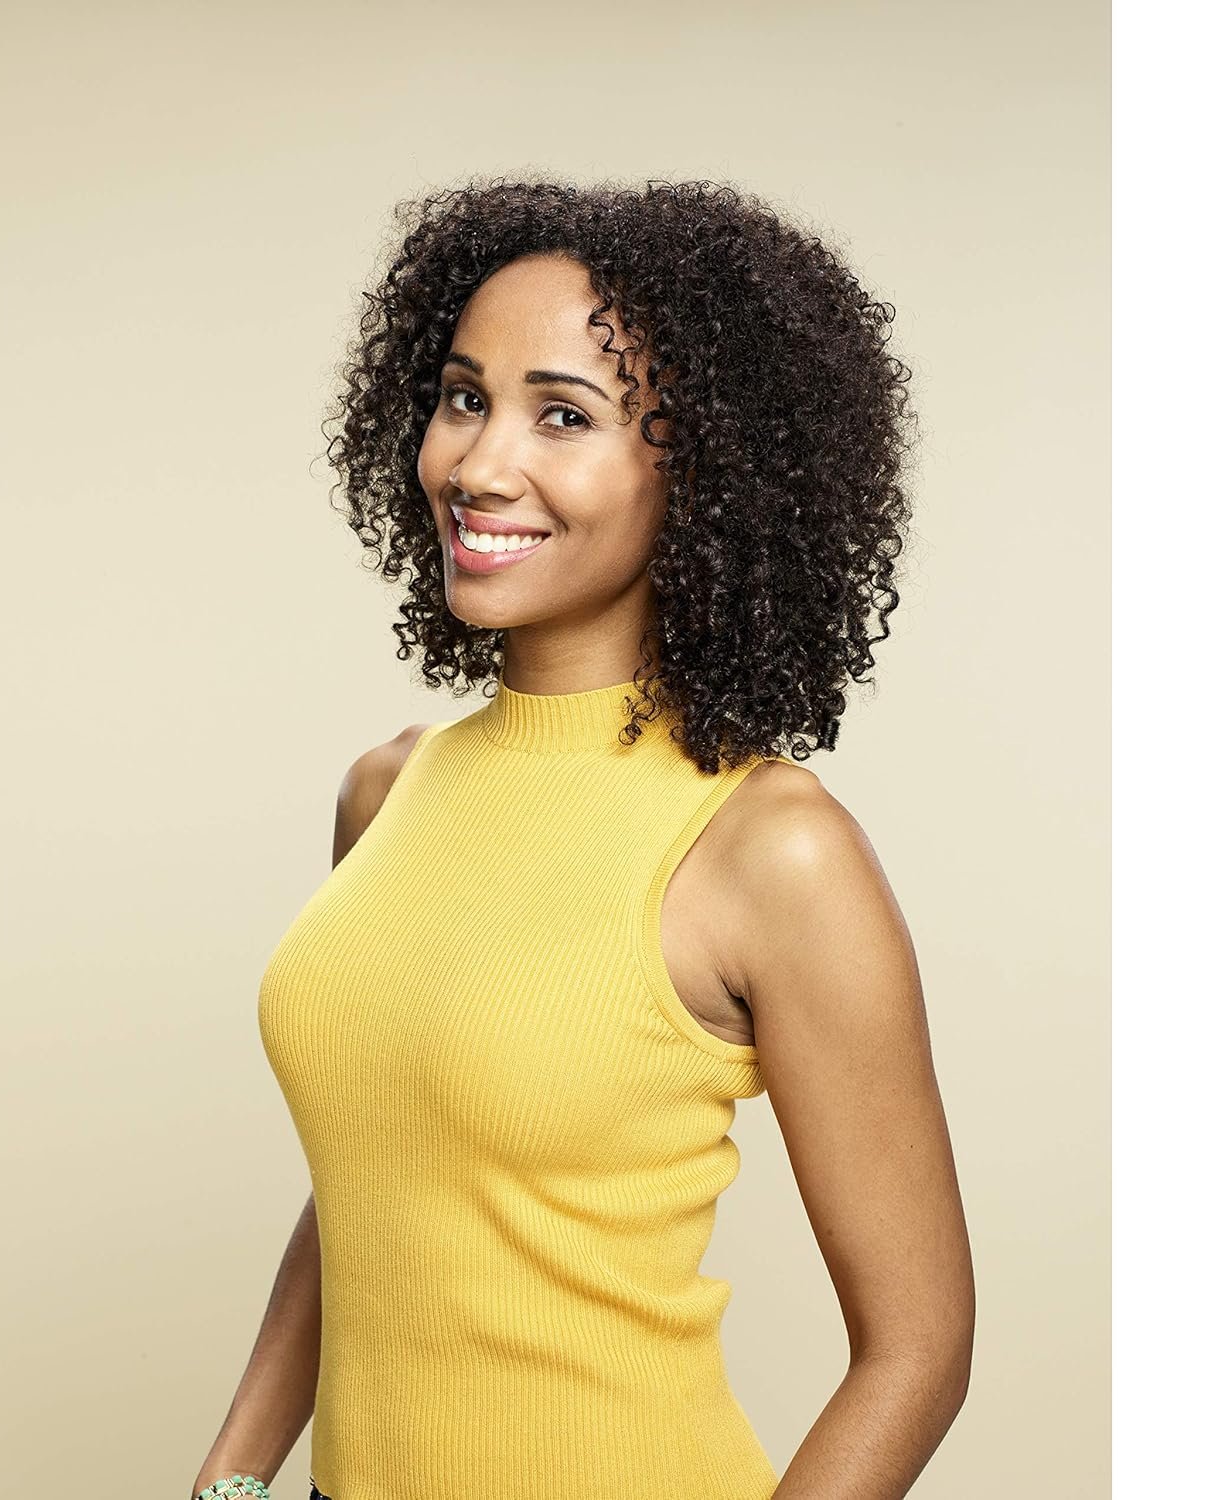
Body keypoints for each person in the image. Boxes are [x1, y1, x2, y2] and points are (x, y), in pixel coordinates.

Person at [191, 178, 974, 1500]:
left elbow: (918, 1349)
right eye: (464, 397)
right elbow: (385, 1183)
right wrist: (232, 1477)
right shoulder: (387, 792)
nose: (479, 465)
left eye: (564, 414)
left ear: (704, 469)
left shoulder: (767, 849)